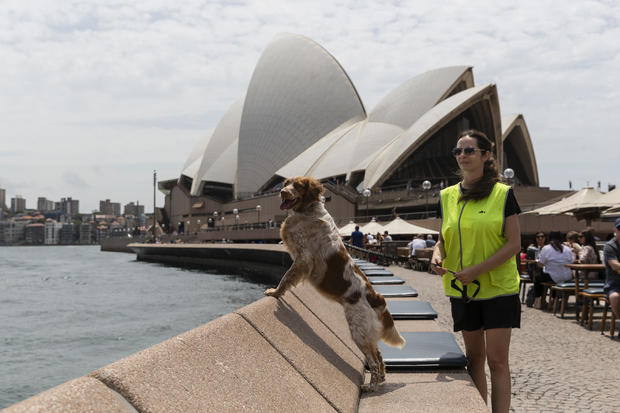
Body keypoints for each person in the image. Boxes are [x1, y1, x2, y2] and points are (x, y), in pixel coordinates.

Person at [430, 129, 521, 412]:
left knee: (497, 361)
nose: (462, 156)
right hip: (463, 289)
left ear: (486, 155)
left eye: (469, 150)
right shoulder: (446, 196)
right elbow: (442, 239)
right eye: (458, 151)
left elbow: (514, 243)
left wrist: (477, 270)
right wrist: (436, 255)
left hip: (498, 289)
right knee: (474, 359)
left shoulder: (502, 194)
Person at [534, 231, 574, 307]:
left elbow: (540, 264)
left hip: (552, 276)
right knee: (555, 277)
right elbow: (572, 261)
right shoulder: (567, 249)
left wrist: (539, 260)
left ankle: (538, 300)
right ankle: (556, 299)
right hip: (567, 277)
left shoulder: (546, 248)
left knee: (537, 277)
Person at [603, 218, 620, 321]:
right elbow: (615, 266)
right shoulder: (610, 246)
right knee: (615, 297)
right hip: (615, 283)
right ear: (615, 230)